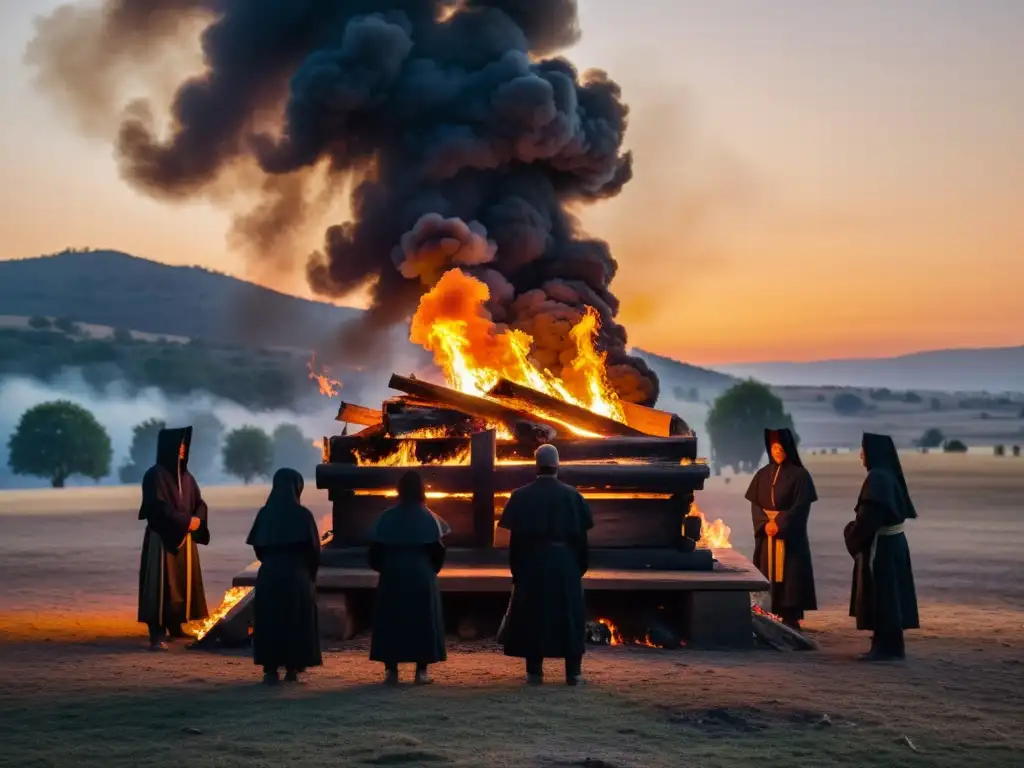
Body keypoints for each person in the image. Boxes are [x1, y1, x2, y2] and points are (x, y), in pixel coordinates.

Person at [497, 444, 593, 686]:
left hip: (531, 563)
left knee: (533, 616)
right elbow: (581, 539)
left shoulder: (520, 496)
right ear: (557, 465)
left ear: (536, 465)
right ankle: (573, 673)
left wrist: (517, 571)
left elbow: (515, 541)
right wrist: (578, 567)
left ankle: (534, 672)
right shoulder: (573, 496)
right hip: (565, 564)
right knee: (569, 616)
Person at [368, 471, 449, 685]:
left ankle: (391, 670)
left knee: (391, 621)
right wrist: (429, 571)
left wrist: (385, 569)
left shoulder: (386, 517)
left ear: (399, 490)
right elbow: (438, 551)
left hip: (392, 574)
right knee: (422, 622)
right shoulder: (428, 518)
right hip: (421, 575)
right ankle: (421, 671)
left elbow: (374, 553)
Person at [845, 433, 920, 661]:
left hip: (883, 549)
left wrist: (851, 533)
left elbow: (870, 517)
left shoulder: (877, 478)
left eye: (863, 450)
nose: (860, 454)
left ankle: (886, 648)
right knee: (889, 596)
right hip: (892, 545)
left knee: (883, 595)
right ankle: (887, 644)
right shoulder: (886, 474)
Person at [247, 468, 323, 685]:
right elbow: (314, 552)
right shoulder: (303, 515)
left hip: (269, 575)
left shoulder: (265, 513)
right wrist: (309, 576)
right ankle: (293, 669)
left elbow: (259, 549)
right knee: (295, 621)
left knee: (269, 622)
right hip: (297, 576)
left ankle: (270, 670)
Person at [137, 426, 210, 650]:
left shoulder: (187, 477)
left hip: (185, 539)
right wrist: (185, 522)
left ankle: (176, 626)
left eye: (184, 445)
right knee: (160, 586)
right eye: (178, 445)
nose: (182, 449)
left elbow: (199, 503)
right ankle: (156, 633)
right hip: (162, 539)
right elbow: (157, 507)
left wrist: (197, 519)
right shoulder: (154, 475)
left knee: (181, 583)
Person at [745, 428, 819, 630]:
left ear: (788, 448)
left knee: (790, 574)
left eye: (780, 447)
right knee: (766, 572)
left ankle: (790, 616)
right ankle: (767, 612)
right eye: (773, 447)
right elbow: (755, 504)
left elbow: (801, 506)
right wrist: (764, 523)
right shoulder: (762, 474)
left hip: (789, 538)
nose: (777, 451)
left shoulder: (800, 476)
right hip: (766, 534)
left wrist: (780, 523)